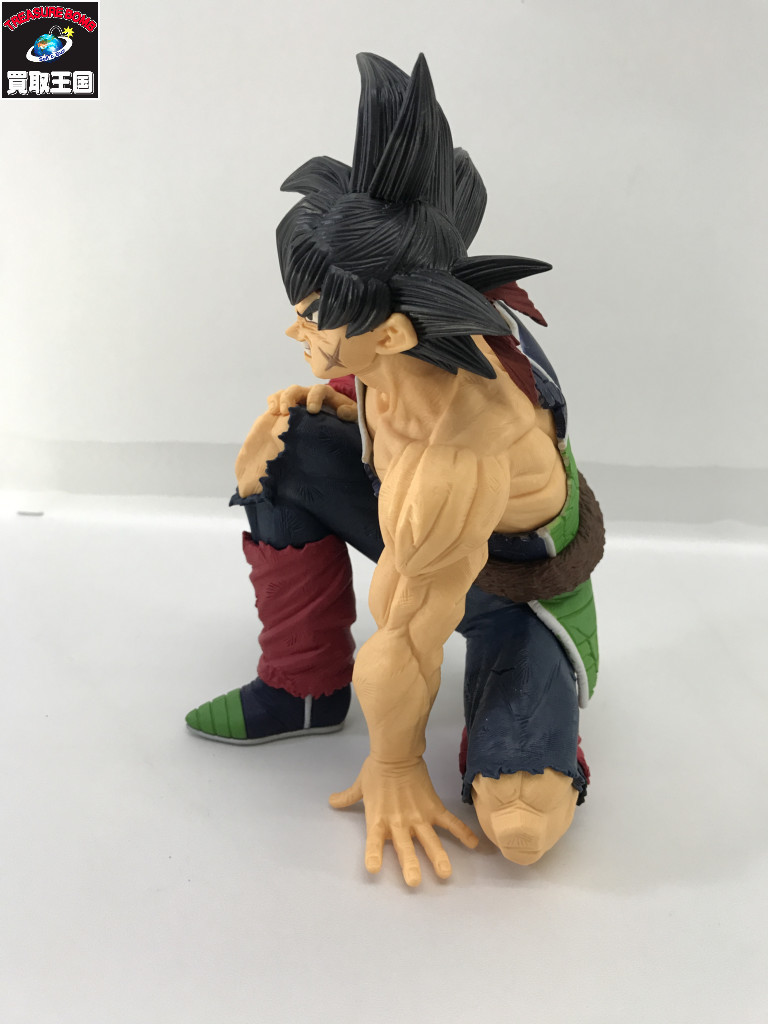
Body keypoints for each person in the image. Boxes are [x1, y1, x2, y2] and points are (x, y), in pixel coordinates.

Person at [186, 53, 604, 885]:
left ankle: (521, 718)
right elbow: (375, 392)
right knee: (283, 445)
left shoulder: (461, 440)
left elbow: (408, 640)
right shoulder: (401, 319)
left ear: (392, 333)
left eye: (313, 318)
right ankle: (304, 687)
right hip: (418, 513)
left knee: (521, 821)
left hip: (519, 590)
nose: (295, 332)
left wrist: (395, 765)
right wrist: (343, 405)